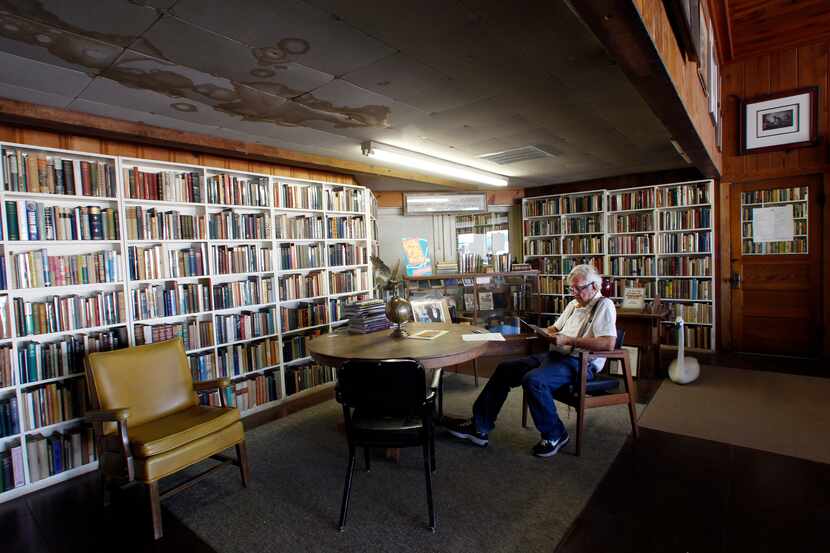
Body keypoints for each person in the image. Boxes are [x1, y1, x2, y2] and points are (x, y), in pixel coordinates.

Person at [447, 264, 617, 457]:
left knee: (534, 380)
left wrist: (569, 340)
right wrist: (542, 332)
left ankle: (556, 434)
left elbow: (608, 343)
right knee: (505, 369)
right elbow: (555, 328)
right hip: (557, 355)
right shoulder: (573, 305)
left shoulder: (604, 305)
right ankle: (479, 426)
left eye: (578, 288)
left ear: (594, 286)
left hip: (580, 362)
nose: (574, 293)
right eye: (572, 288)